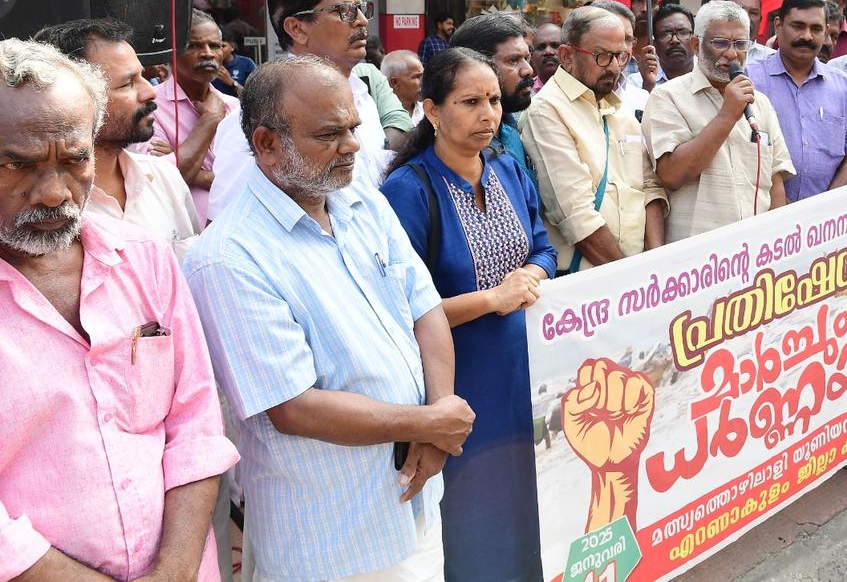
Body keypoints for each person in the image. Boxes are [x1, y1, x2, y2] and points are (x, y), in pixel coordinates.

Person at [185, 56, 475, 580]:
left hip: (415, 501)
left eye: (353, 128)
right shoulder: (228, 257)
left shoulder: (359, 199)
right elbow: (292, 407)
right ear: (268, 144)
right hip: (330, 538)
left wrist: (439, 414)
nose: (353, 146)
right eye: (329, 134)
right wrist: (429, 424)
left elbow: (426, 307)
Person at [0, 37, 238, 581]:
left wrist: (176, 570)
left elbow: (195, 423)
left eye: (75, 158)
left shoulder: (145, 259)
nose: (55, 192)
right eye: (20, 164)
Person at [380, 48, 555, 582]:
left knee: (527, 497)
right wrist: (491, 299)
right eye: (470, 102)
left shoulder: (506, 167)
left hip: (524, 370)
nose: (489, 114)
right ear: (431, 110)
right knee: (470, 511)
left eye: (495, 101)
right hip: (457, 381)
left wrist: (534, 275)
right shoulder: (408, 191)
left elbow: (543, 245)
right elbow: (397, 312)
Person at [207, 0, 394, 222]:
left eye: (363, 9)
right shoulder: (260, 113)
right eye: (345, 11)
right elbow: (226, 222)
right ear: (296, 28)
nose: (362, 21)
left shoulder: (362, 95)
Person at [34, 19, 201, 260]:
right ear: (73, 101)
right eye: (127, 84)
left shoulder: (164, 177)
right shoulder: (47, 208)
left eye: (143, 76)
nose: (150, 91)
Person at [519, 6, 668, 273]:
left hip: (636, 278)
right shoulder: (547, 110)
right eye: (601, 56)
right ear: (567, 56)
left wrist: (653, 265)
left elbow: (650, 186)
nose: (614, 67)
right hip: (587, 283)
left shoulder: (618, 108)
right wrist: (630, 278)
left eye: (621, 56)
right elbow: (576, 216)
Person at [642, 0, 794, 243]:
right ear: (695, 44)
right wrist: (727, 115)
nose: (732, 54)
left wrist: (773, 244)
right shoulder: (667, 97)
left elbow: (775, 184)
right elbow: (671, 175)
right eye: (720, 43)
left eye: (740, 44)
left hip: (755, 253)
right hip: (696, 260)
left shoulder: (760, 103)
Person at [748, 0, 847, 202]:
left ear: (827, 31)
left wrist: (821, 211)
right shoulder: (750, 79)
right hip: (762, 216)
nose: (807, 36)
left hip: (824, 224)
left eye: (816, 28)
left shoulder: (843, 86)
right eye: (798, 26)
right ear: (778, 26)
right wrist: (780, 206)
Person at [146, 10, 237, 224]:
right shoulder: (149, 107)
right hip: (177, 241)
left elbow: (245, 181)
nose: (208, 53)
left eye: (215, 46)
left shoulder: (235, 109)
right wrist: (210, 120)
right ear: (171, 53)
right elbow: (159, 183)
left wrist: (178, 162)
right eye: (194, 46)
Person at [449, 12, 536, 176]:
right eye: (513, 61)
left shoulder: (511, 125)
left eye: (527, 58)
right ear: (475, 67)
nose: (528, 70)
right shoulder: (454, 148)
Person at [592, 0, 653, 118]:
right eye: (613, 37)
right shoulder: (560, 103)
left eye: (627, 39)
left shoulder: (641, 99)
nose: (622, 47)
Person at [725, 0, 777, 64]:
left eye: (753, 13)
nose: (746, 17)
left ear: (760, 21)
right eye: (740, 10)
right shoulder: (705, 56)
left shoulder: (773, 60)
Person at [651, 3, 696, 81]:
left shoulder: (711, 78)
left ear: (695, 40)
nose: (675, 40)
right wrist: (648, 85)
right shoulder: (638, 82)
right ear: (655, 44)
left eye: (683, 32)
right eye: (665, 34)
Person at [381, 48, 425, 127]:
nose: (423, 81)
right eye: (417, 77)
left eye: (423, 76)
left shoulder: (428, 111)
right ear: (394, 83)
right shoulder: (379, 116)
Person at [213, 26, 256, 97]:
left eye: (223, 46)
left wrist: (232, 83)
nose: (220, 50)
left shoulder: (246, 64)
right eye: (216, 46)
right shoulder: (210, 64)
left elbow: (252, 97)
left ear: (232, 47)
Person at [530, 22, 561, 92]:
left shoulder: (583, 89)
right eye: (541, 47)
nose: (548, 51)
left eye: (555, 45)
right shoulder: (524, 94)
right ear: (531, 56)